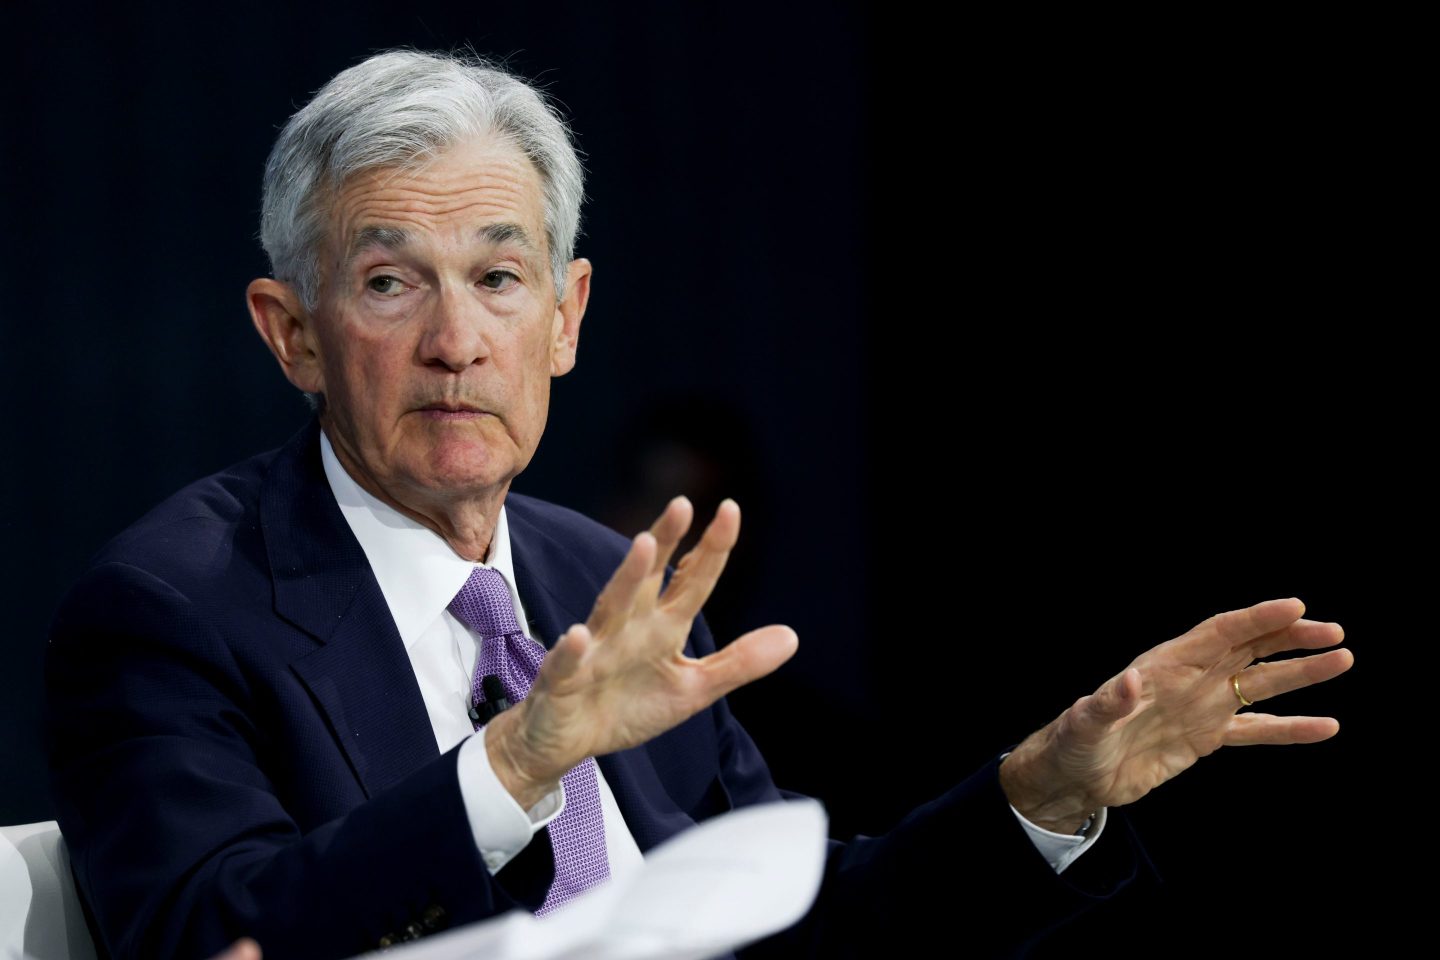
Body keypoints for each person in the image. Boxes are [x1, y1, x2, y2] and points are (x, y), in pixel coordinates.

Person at [43, 49, 1354, 960]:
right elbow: (215, 936)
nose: (456, 341)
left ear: (566, 320)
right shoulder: (172, 607)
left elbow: (808, 935)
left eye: (501, 279)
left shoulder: (598, 575)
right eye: (391, 283)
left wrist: (1044, 793)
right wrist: (520, 760)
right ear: (294, 335)